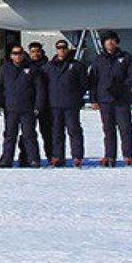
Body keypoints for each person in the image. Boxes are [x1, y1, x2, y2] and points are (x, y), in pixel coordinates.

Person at [89, 31, 132, 167]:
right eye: (107, 40)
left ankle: (128, 155)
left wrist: (124, 86)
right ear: (104, 43)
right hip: (105, 99)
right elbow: (93, 80)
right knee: (108, 129)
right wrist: (93, 99)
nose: (110, 43)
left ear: (116, 42)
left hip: (121, 99)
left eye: (112, 40)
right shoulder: (99, 59)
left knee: (126, 128)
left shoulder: (126, 58)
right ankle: (110, 156)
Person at [0, 45, 46, 168]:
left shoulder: (31, 69)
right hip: (10, 109)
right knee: (10, 136)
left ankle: (33, 159)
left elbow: (39, 88)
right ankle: (7, 159)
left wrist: (38, 104)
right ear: (11, 55)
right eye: (15, 53)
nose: (17, 56)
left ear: (23, 54)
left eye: (20, 53)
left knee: (29, 135)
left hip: (28, 109)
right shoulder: (4, 69)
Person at [44, 39, 88, 167]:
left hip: (71, 104)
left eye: (63, 47)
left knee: (74, 131)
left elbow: (84, 83)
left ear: (67, 49)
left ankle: (77, 156)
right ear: (56, 49)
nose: (61, 50)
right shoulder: (49, 66)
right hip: (54, 104)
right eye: (59, 47)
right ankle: (58, 156)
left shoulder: (76, 66)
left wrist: (77, 96)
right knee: (56, 132)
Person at [27, 41, 54, 162]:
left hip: (46, 105)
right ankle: (27, 157)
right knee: (28, 133)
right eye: (32, 52)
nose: (35, 54)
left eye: (37, 51)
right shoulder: (25, 67)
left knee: (47, 132)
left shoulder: (48, 66)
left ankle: (51, 156)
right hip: (28, 104)